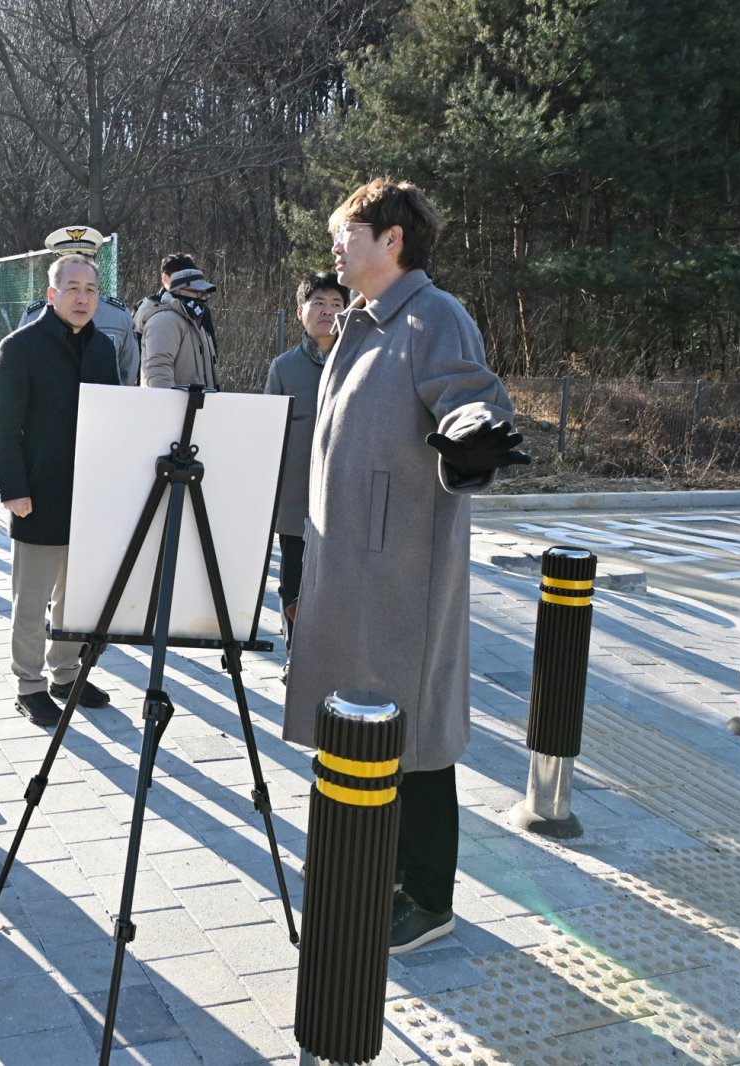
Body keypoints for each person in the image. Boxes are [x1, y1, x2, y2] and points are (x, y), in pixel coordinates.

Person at [282, 179, 530, 955]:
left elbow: (469, 399)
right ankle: (381, 874)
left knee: (413, 734)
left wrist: (476, 433)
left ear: (392, 238)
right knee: (364, 726)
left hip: (400, 573)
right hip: (349, 564)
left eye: (346, 231)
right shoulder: (361, 322)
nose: (335, 245)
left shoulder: (433, 315)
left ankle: (427, 899)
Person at [0, 254, 122, 725]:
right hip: (38, 494)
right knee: (31, 598)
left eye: (90, 289)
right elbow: (3, 426)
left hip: (90, 494)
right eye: (72, 288)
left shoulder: (104, 349)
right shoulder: (21, 346)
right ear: (51, 293)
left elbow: (115, 420)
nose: (82, 297)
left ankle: (66, 673)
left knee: (78, 595)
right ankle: (28, 683)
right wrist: (13, 489)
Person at [263, 271, 349, 680]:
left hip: (347, 500)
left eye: (336, 304)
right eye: (318, 303)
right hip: (296, 501)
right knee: (294, 585)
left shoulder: (361, 361)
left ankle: (336, 656)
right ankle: (296, 656)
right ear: (300, 312)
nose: (327, 312)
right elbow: (269, 437)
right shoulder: (283, 368)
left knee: (341, 584)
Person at [16, 226, 141, 386]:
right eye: (69, 266)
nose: (78, 271)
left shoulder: (118, 316)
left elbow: (127, 372)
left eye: (84, 264)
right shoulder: (34, 316)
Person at [139, 267, 220, 389]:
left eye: (205, 293)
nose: (203, 297)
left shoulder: (197, 323)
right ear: (179, 291)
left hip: (195, 405)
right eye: (197, 292)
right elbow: (158, 370)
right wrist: (169, 405)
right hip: (174, 406)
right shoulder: (165, 321)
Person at [133, 253, 216, 345]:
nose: (183, 281)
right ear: (164, 278)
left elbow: (210, 348)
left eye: (189, 278)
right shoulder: (146, 307)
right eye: (178, 276)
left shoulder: (201, 310)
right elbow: (135, 345)